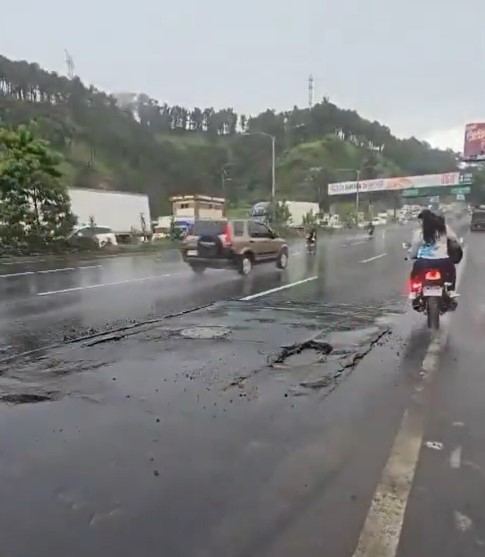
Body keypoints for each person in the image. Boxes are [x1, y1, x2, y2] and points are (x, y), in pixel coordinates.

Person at [408, 209, 458, 291]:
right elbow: (454, 239)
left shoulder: (420, 232)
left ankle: (414, 292)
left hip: (424, 262)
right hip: (443, 261)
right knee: (452, 273)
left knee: (414, 274)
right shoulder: (444, 228)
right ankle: (450, 290)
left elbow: (415, 247)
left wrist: (411, 256)